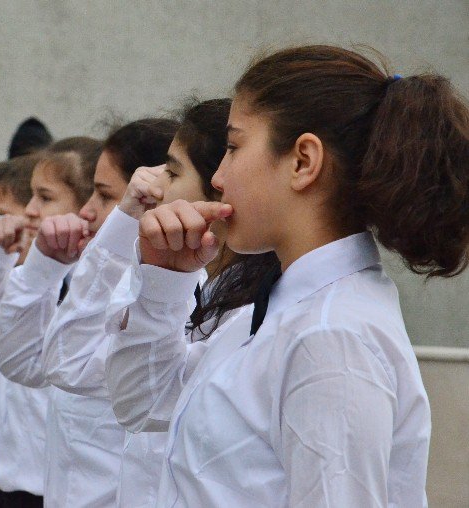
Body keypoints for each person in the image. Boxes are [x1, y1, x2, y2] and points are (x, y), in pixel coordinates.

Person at [105, 45, 469, 507]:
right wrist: (164, 282)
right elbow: (143, 404)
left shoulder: (330, 336)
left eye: (234, 147)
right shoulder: (283, 307)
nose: (217, 176)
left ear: (303, 162)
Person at [37, 100, 276, 507]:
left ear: (219, 188)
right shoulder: (187, 289)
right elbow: (68, 364)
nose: (151, 184)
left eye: (172, 171)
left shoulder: (251, 315)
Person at [0, 121, 178, 507]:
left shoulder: (166, 297)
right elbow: (21, 363)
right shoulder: (98, 280)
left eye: (104, 195)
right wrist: (44, 268)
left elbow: (63, 365)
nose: (88, 211)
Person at [0, 139, 101, 507]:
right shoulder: (36, 272)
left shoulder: (99, 285)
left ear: (89, 205)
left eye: (45, 197)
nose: (30, 211)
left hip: (62, 487)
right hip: (10, 480)